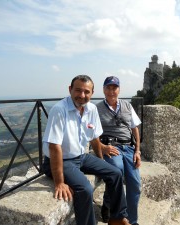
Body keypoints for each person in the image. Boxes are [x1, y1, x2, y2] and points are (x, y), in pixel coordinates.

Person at [42, 75, 131, 225]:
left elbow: (94, 137)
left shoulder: (91, 109)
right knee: (85, 189)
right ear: (70, 90)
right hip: (60, 161)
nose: (82, 95)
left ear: (92, 93)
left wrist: (101, 162)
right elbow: (54, 146)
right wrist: (59, 182)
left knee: (115, 173)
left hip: (81, 156)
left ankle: (116, 218)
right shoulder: (59, 110)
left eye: (86, 92)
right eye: (78, 90)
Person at [96, 76, 142, 225]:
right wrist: (102, 148)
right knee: (117, 170)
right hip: (110, 147)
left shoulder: (127, 106)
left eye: (114, 88)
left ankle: (132, 221)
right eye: (108, 88)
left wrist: (137, 151)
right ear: (103, 90)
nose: (111, 91)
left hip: (129, 148)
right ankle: (114, 212)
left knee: (135, 184)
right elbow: (91, 134)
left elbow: (135, 129)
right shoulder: (96, 108)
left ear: (119, 90)